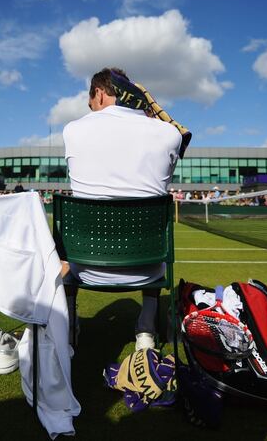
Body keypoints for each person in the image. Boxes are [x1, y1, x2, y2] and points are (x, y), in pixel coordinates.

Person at [62, 67, 182, 351]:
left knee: (56, 248)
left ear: (100, 93)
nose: (90, 108)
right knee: (153, 238)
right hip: (148, 268)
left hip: (85, 267)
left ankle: (67, 328)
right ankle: (146, 330)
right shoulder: (169, 134)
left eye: (90, 102)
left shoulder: (72, 129)